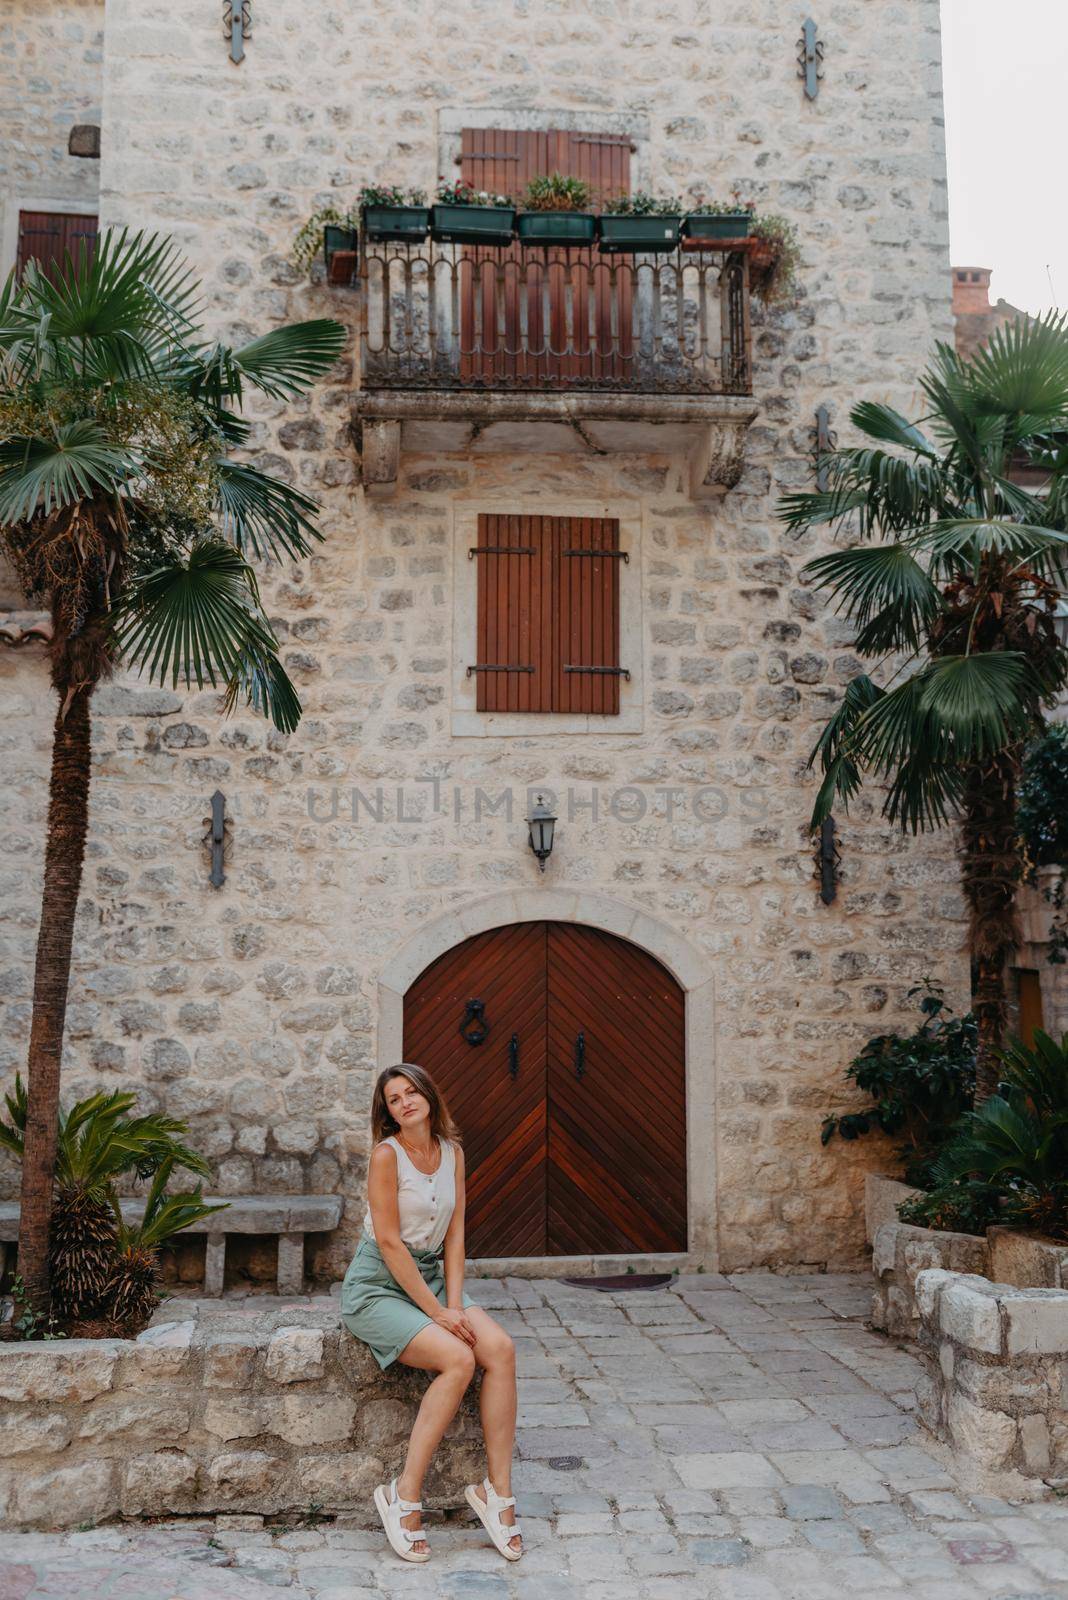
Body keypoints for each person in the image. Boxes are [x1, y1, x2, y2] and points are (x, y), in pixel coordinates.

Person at [340, 1063, 523, 1564]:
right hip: (379, 1284)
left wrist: (456, 1304)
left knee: (500, 1349)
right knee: (459, 1360)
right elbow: (390, 1243)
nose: (405, 1102)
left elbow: (457, 1235)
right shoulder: (386, 1156)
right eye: (394, 1098)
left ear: (428, 1096)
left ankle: (496, 1493)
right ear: (388, 1113)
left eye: (412, 1091)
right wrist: (438, 1313)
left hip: (433, 1281)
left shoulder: (453, 1154)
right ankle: (404, 1496)